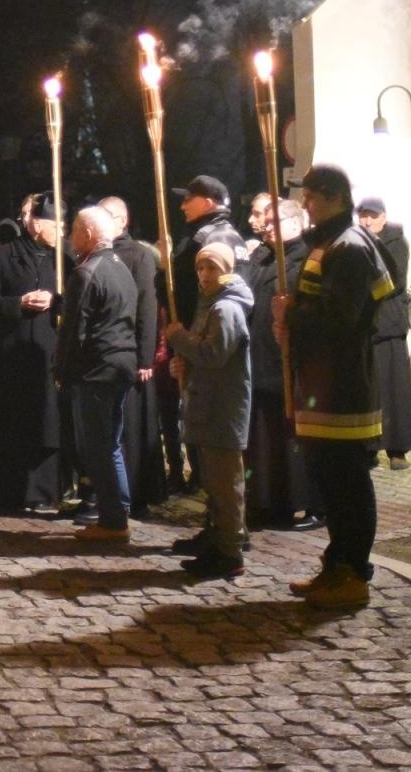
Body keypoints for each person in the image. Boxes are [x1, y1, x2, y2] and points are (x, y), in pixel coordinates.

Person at [274, 164, 396, 610]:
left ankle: (354, 573)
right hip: (323, 384)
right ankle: (337, 563)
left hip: (343, 387)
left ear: (334, 197)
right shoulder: (328, 243)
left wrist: (292, 314)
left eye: (310, 196)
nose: (304, 204)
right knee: (329, 482)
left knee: (347, 482)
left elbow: (343, 320)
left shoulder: (349, 247)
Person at [165, 243, 254, 577]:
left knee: (226, 485)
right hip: (208, 404)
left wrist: (179, 339)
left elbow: (214, 355)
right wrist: (183, 367)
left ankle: (230, 552)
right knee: (215, 484)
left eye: (212, 268)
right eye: (200, 268)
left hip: (222, 408)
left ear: (227, 269)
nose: (204, 275)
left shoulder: (226, 309)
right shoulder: (213, 305)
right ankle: (219, 542)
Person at [0, 193, 67, 511]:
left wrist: (55, 301)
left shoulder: (64, 260)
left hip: (50, 353)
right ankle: (10, 491)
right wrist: (18, 303)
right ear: (38, 225)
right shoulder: (3, 258)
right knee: (13, 423)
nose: (61, 230)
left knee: (47, 422)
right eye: (55, 224)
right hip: (12, 356)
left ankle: (44, 491)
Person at [54, 207, 138, 541]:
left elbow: (75, 330)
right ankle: (118, 509)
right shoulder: (120, 268)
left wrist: (61, 370)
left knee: (98, 446)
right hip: (121, 364)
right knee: (110, 444)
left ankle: (113, 520)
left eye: (74, 230)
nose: (70, 237)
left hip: (97, 370)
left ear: (87, 234)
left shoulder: (86, 273)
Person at [164, 175, 249, 492]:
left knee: (208, 430)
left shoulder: (208, 238)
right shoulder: (231, 235)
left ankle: (220, 519)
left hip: (205, 341)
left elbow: (196, 295)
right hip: (216, 341)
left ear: (209, 202)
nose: (183, 205)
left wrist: (184, 339)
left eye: (189, 198)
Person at [245, 198, 317, 529]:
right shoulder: (261, 257)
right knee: (265, 436)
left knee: (291, 438)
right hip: (260, 359)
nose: (266, 227)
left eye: (273, 221)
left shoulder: (304, 259)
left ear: (294, 223)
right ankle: (270, 499)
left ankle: (305, 501)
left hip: (288, 360)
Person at [97, 197, 165, 518]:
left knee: (132, 429)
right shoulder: (99, 254)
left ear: (121, 221)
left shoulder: (137, 255)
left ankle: (136, 493)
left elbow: (147, 308)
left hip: (131, 356)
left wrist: (145, 357)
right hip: (105, 355)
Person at [357, 197, 411, 470]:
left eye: (372, 215)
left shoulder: (396, 243)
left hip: (389, 324)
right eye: (363, 215)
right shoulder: (356, 242)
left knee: (394, 389)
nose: (367, 220)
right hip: (367, 327)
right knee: (370, 390)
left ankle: (397, 449)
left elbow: (394, 281)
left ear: (383, 218)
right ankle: (369, 447)